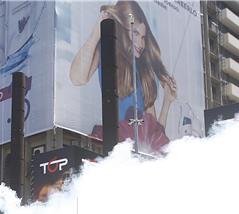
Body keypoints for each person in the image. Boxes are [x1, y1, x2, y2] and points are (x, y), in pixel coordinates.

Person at [69, 1, 176, 152]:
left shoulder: (144, 75)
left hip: (136, 158)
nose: (141, 43)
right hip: (112, 147)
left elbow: (155, 135)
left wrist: (167, 103)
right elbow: (77, 78)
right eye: (136, 33)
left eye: (144, 37)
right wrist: (96, 32)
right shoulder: (105, 51)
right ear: (123, 29)